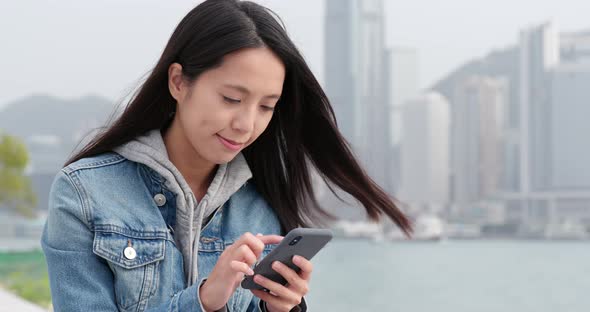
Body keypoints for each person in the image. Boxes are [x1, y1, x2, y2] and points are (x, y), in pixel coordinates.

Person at [41, 0, 413, 311]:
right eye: (231, 99)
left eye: (267, 106)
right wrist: (202, 300)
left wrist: (280, 309)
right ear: (178, 82)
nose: (246, 124)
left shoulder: (261, 207)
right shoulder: (85, 193)